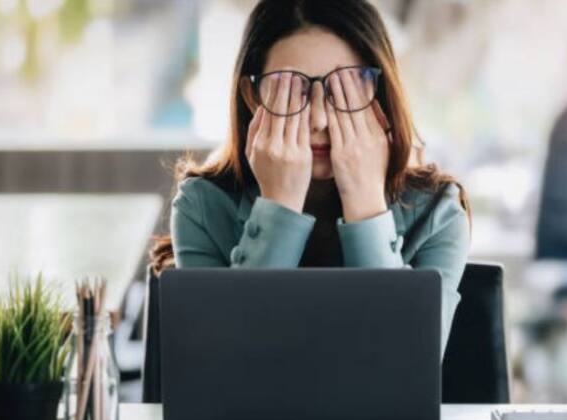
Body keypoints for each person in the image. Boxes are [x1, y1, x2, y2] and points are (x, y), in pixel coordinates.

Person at [150, 0, 471, 353]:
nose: (319, 120)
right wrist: (277, 206)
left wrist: (366, 203)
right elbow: (222, 359)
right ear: (251, 97)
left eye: (343, 89)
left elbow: (407, 361)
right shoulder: (203, 206)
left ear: (377, 95)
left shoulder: (437, 213)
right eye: (293, 90)